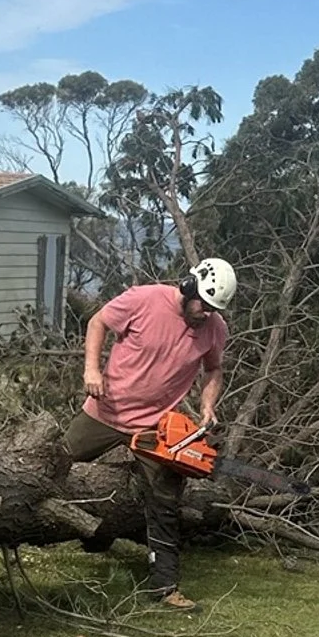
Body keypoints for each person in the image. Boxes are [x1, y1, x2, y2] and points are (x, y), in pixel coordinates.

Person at [63, 258, 238, 608]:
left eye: (213, 308)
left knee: (165, 502)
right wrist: (92, 370)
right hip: (107, 411)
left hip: (156, 427)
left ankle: (164, 587)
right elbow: (98, 322)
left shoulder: (214, 327)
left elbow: (214, 369)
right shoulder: (143, 299)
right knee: (58, 461)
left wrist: (207, 405)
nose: (205, 313)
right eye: (202, 304)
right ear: (189, 287)